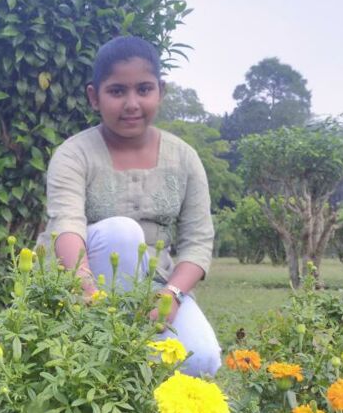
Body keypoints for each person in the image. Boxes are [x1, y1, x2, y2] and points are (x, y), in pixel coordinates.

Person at [41, 35, 221, 377]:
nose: (132, 103)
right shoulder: (74, 155)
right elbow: (66, 225)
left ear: (160, 91)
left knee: (202, 359)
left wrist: (171, 295)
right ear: (94, 97)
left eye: (144, 89)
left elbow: (198, 241)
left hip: (158, 286)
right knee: (122, 232)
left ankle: (132, 366)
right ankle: (113, 356)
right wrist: (89, 295)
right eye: (117, 91)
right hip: (82, 285)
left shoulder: (184, 158)